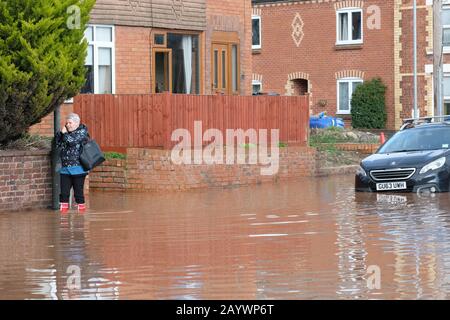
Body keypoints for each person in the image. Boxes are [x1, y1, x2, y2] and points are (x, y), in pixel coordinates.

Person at [55, 113, 89, 213]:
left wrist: (65, 134)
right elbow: (58, 144)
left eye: (70, 123)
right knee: (64, 194)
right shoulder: (65, 133)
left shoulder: (82, 132)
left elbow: (72, 142)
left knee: (78, 194)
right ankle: (63, 220)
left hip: (78, 169)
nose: (68, 125)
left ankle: (80, 220)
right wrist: (60, 134)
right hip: (65, 169)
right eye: (66, 123)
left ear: (76, 123)